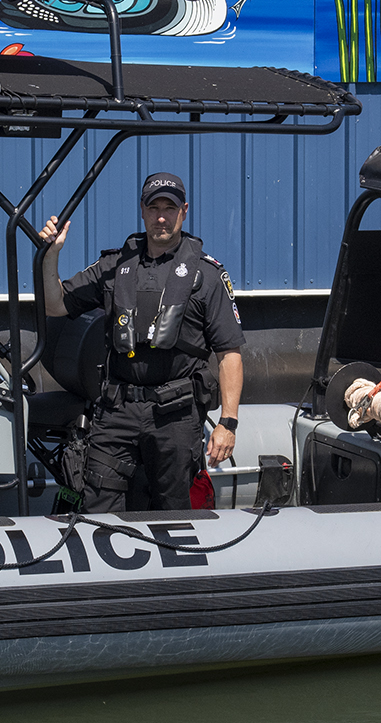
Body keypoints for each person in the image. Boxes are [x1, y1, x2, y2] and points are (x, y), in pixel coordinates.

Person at [37, 172, 244, 511]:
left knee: (174, 510)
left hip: (175, 415)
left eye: (169, 208)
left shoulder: (207, 276)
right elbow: (55, 305)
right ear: (143, 211)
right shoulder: (114, 266)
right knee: (97, 506)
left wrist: (228, 423)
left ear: (184, 211)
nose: (161, 217)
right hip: (117, 410)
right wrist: (50, 255)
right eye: (154, 208)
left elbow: (229, 353)